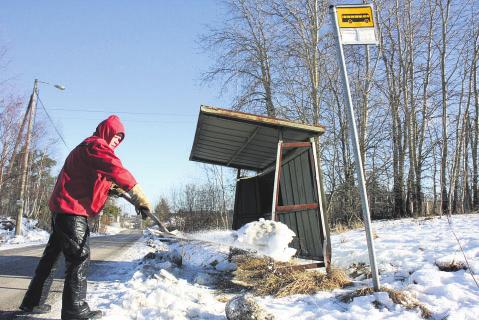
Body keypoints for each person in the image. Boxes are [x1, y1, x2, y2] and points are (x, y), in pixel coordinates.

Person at [19, 115, 152, 320]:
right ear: (106, 131)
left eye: (120, 138)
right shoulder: (97, 146)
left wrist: (113, 189)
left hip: (62, 210)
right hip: (73, 211)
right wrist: (139, 195)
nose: (117, 140)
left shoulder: (88, 148)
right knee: (79, 258)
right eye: (115, 134)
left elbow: (95, 177)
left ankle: (32, 301)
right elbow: (115, 169)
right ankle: (75, 310)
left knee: (51, 257)